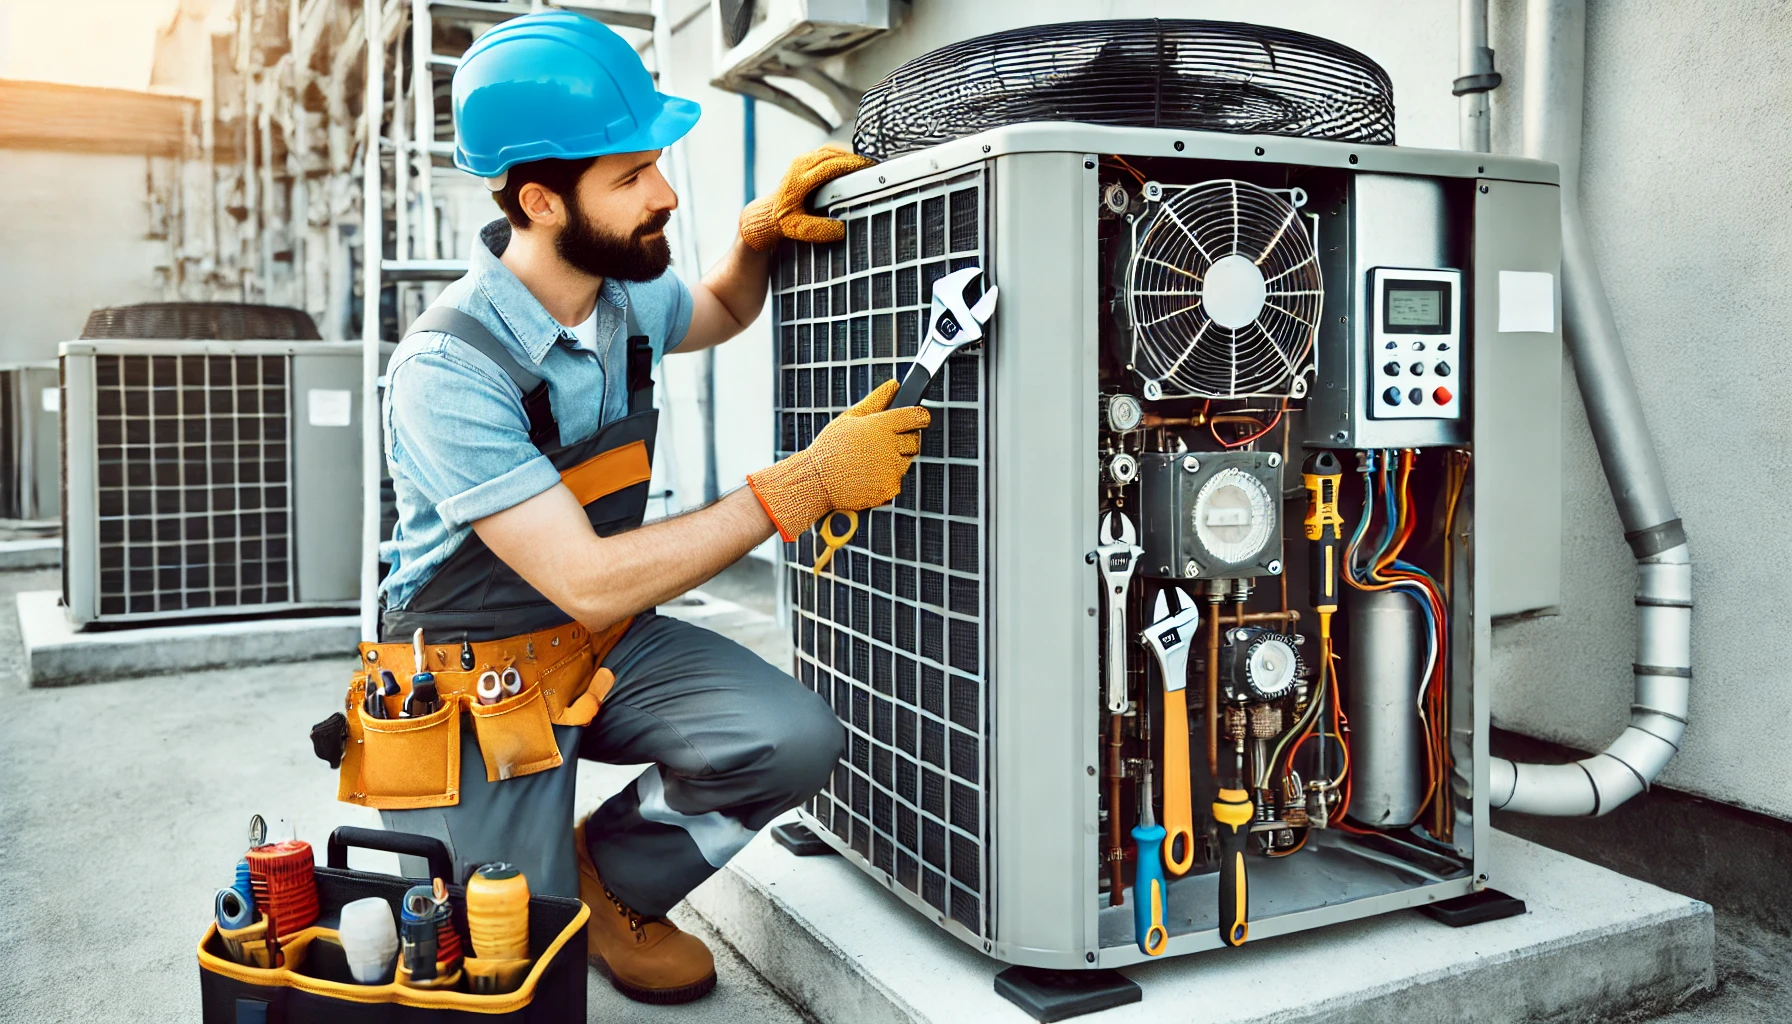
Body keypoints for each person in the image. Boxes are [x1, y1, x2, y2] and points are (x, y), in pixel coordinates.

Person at [336, 11, 924, 1004]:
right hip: (472, 679)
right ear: (540, 200)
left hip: (602, 638)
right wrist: (803, 484)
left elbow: (721, 309)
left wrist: (753, 242)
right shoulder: (450, 368)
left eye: (655, 163)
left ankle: (614, 878)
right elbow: (584, 572)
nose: (664, 193)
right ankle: (537, 871)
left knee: (789, 736)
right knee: (502, 963)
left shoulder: (623, 299)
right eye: (630, 175)